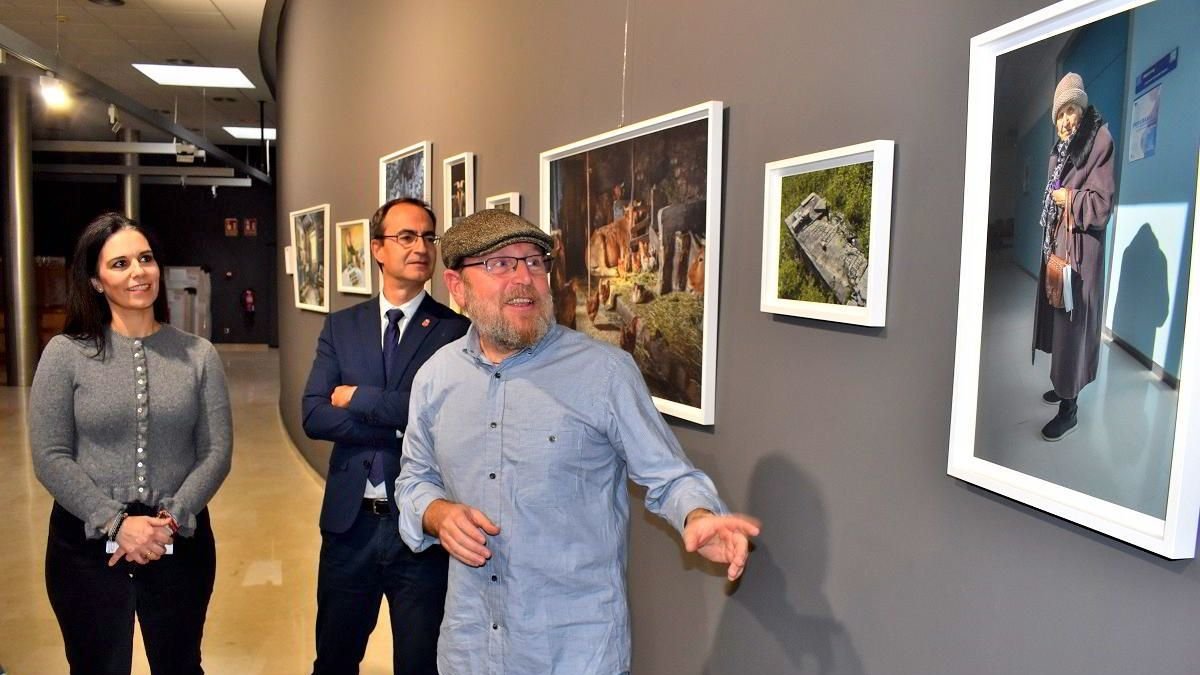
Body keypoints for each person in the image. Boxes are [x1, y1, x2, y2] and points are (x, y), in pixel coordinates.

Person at [396, 209, 761, 674]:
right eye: (500, 264)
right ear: (457, 285)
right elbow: (414, 478)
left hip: (573, 653)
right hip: (470, 648)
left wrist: (700, 515)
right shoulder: (436, 377)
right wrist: (436, 513)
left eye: (534, 262)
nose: (523, 279)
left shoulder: (605, 373)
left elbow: (670, 477)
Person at [30, 212, 232, 674]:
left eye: (145, 258)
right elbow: (50, 455)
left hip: (177, 540)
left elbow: (216, 453)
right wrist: (116, 522)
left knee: (181, 665)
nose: (138, 272)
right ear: (95, 281)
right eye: (120, 264)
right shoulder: (66, 354)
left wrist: (170, 520)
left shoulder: (198, 355)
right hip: (85, 547)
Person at [302, 198, 470, 674]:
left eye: (428, 237)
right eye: (407, 237)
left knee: (420, 663)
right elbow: (313, 415)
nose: (421, 248)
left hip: (419, 529)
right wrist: (400, 419)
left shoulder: (455, 331)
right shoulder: (342, 326)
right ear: (377, 248)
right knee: (334, 659)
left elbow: (446, 418)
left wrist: (359, 398)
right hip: (349, 524)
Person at [1032, 72, 1116, 441]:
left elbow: (1102, 205)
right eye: (1060, 114)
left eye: (1071, 110)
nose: (1066, 120)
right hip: (1059, 249)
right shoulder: (1060, 151)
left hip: (1081, 257)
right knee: (1059, 324)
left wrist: (1070, 198)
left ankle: (1070, 409)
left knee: (1073, 328)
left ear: (1082, 109)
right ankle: (1062, 385)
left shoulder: (1099, 141)